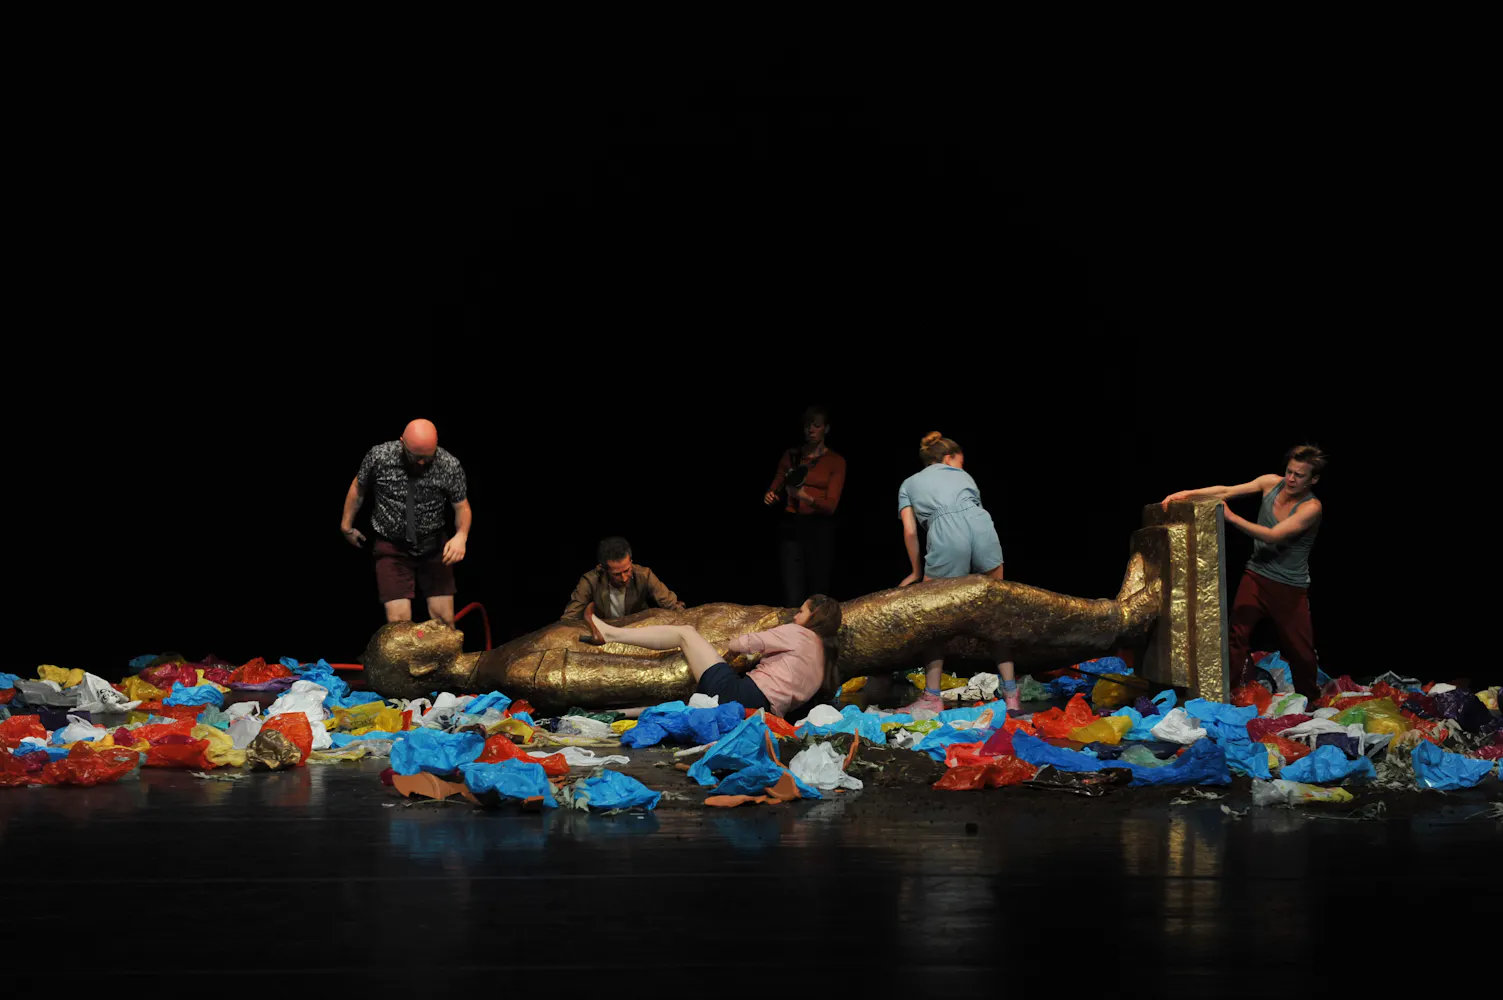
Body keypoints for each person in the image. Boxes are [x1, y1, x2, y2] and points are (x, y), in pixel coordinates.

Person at [1161, 443, 1327, 700]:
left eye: (1299, 475)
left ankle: (1311, 698)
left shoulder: (1311, 508)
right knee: (1236, 636)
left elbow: (1273, 536)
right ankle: (1224, 693)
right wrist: (1186, 493)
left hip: (1289, 587)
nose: (1291, 479)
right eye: (1289, 471)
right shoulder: (1271, 483)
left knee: (1300, 650)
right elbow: (1226, 490)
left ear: (1313, 479)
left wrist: (1231, 517)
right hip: (1256, 575)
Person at [896, 431, 1018, 712]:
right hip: (982, 525)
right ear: (948, 458)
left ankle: (932, 696)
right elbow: (974, 510)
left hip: (947, 533)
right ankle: (1011, 695)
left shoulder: (908, 484)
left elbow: (910, 531)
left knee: (934, 620)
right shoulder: (963, 476)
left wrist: (915, 571)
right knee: (995, 614)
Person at [582, 595, 843, 719]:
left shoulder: (798, 633)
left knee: (685, 633)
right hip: (761, 713)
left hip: (742, 694)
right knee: (689, 706)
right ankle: (616, 715)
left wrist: (737, 644)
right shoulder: (823, 661)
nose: (796, 617)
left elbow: (744, 642)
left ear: (814, 617)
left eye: (801, 612)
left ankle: (609, 633)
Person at [340, 418, 472, 626]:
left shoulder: (448, 465)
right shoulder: (380, 456)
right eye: (415, 456)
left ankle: (445, 659)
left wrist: (461, 536)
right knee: (398, 625)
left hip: (433, 545)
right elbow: (358, 488)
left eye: (427, 458)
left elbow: (461, 506)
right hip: (392, 546)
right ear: (402, 442)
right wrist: (346, 526)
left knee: (444, 621)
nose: (421, 462)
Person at [764, 405, 846, 605]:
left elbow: (831, 505)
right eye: (808, 426)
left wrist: (804, 496)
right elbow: (777, 484)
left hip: (819, 528)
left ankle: (817, 633)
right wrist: (771, 495)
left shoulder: (835, 461)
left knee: (818, 589)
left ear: (826, 429)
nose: (811, 430)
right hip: (792, 525)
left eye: (816, 426)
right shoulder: (791, 456)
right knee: (792, 591)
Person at [564, 536, 685, 620]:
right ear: (603, 569)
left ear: (631, 561)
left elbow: (672, 605)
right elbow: (570, 617)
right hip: (605, 635)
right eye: (616, 574)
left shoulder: (644, 575)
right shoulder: (590, 581)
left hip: (636, 631)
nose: (624, 578)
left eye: (627, 570)